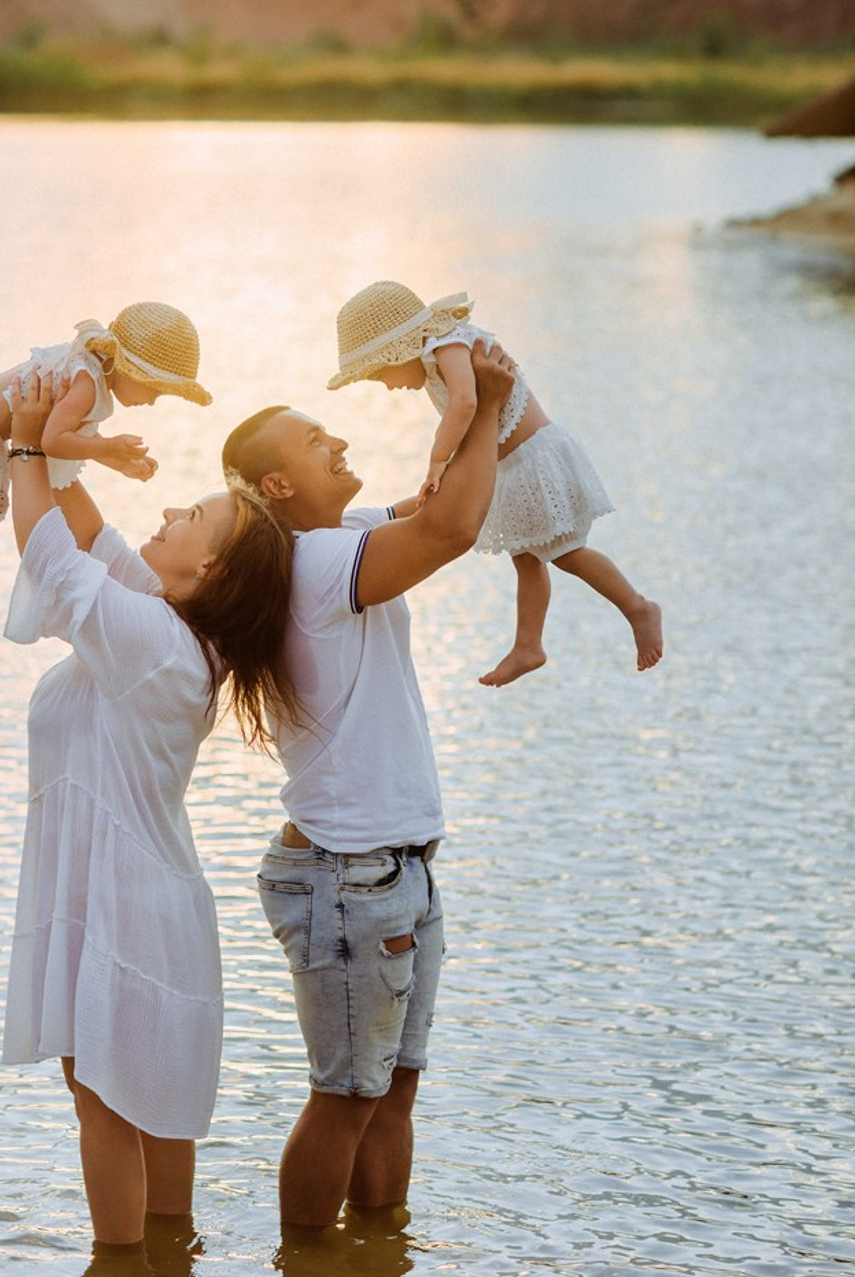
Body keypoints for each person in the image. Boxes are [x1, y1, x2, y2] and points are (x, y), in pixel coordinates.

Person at [0, 373, 297, 1259]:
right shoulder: (176, 629)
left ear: (207, 571)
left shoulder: (153, 643)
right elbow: (86, 530)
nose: (169, 513)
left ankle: (123, 1262)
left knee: (104, 1097)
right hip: (144, 894)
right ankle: (170, 1253)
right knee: (148, 1106)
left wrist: (23, 447)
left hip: (123, 901)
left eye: (191, 518)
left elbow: (47, 553)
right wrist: (56, 444)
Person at [221, 339, 515, 1232]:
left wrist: (462, 392)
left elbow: (448, 499)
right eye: (314, 440)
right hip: (348, 879)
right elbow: (452, 530)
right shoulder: (313, 567)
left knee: (394, 1092)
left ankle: (380, 1251)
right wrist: (490, 403)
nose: (336, 441)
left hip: (396, 871)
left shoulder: (337, 538)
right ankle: (306, 1260)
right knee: (347, 1095)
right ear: (277, 486)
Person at [329, 280, 663, 686]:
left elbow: (467, 402)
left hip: (532, 461)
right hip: (513, 467)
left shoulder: (445, 346)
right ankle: (528, 645)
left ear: (399, 347)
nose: (387, 384)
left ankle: (637, 607)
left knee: (568, 552)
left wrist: (438, 460)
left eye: (381, 373)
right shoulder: (440, 352)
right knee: (526, 557)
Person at [0, 301, 212, 600]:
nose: (152, 401)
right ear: (129, 368)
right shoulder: (87, 384)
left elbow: (73, 432)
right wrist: (109, 446)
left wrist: (117, 460)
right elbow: (53, 440)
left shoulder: (91, 371)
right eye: (154, 390)